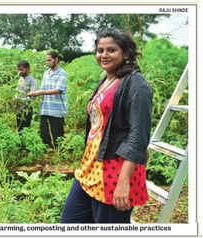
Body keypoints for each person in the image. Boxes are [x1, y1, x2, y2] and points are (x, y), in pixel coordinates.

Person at [60, 28, 153, 223]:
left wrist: (123, 182)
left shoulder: (137, 84)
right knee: (69, 222)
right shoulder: (108, 79)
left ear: (126, 53)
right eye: (100, 50)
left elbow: (138, 136)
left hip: (115, 172)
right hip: (90, 168)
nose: (104, 55)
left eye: (111, 50)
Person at [28, 51, 67, 149]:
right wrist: (34, 94)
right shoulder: (46, 73)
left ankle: (60, 153)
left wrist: (40, 92)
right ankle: (46, 152)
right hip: (45, 108)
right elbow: (43, 88)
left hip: (57, 109)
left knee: (57, 134)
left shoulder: (62, 73)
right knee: (44, 132)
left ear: (56, 60)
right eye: (46, 60)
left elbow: (58, 90)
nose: (47, 62)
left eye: (49, 60)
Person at [15, 60, 37, 131]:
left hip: (27, 110)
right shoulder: (20, 79)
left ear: (27, 69)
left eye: (21, 70)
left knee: (25, 130)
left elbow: (33, 97)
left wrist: (20, 100)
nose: (19, 72)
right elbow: (18, 92)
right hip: (18, 109)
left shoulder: (32, 80)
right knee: (19, 129)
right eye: (18, 70)